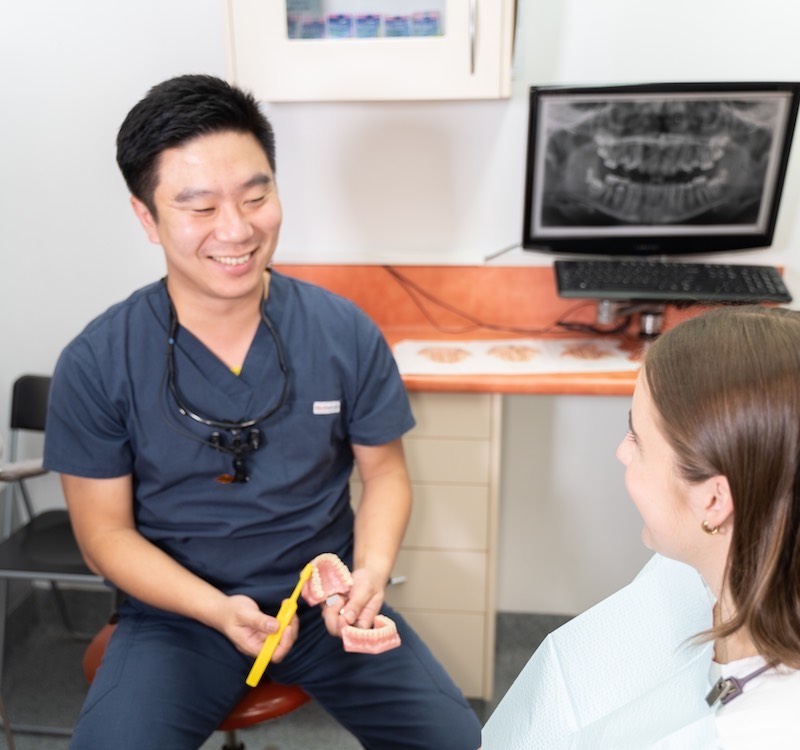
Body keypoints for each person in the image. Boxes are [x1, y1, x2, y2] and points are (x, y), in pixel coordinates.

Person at [43, 74, 482, 750]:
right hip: (177, 615)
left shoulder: (343, 331)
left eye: (257, 195)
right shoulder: (98, 361)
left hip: (321, 603)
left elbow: (386, 475)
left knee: (453, 741)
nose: (238, 230)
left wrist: (365, 578)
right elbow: (105, 535)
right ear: (146, 217)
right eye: (199, 207)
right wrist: (214, 608)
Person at [483, 305, 800, 748]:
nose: (621, 452)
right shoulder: (711, 571)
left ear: (714, 500)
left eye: (637, 438)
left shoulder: (757, 732)